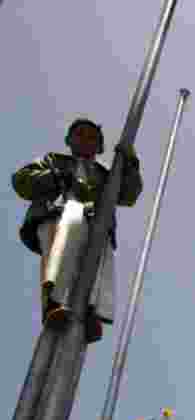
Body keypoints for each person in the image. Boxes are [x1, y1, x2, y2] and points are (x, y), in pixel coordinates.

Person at [11, 117, 143, 342]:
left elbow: (128, 194)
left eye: (92, 137)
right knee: (65, 245)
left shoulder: (106, 176)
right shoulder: (54, 161)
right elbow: (22, 180)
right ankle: (54, 303)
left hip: (96, 223)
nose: (85, 140)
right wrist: (57, 177)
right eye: (80, 135)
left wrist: (130, 163)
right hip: (58, 214)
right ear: (69, 140)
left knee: (100, 258)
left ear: (100, 146)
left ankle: (91, 311)